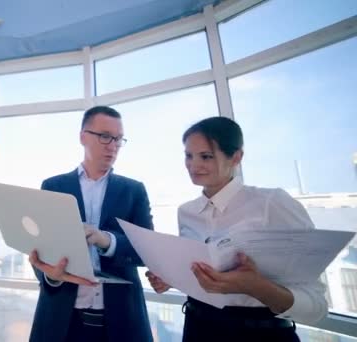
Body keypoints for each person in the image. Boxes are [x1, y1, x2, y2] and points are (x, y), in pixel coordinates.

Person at [146, 116, 328, 341]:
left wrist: (255, 286)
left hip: (260, 333)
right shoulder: (186, 212)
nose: (193, 165)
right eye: (188, 155)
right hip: (197, 328)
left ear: (236, 157)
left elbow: (316, 305)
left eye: (206, 156)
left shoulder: (272, 203)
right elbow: (201, 276)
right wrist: (172, 279)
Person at [28, 106, 154, 342]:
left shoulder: (134, 190)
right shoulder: (53, 186)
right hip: (61, 320)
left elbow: (147, 250)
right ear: (83, 136)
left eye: (118, 139)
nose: (113, 145)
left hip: (121, 322)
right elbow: (42, 249)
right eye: (105, 136)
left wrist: (107, 240)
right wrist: (52, 276)